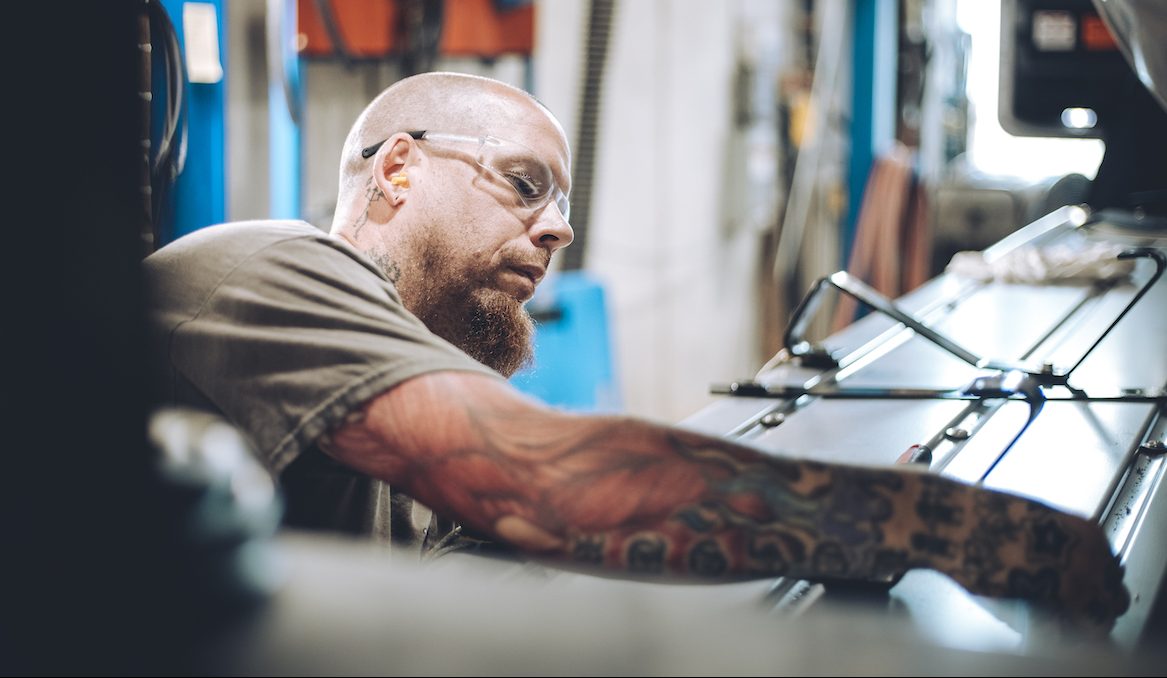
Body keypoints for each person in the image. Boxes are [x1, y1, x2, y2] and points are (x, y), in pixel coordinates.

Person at [144, 71, 1129, 633]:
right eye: (524, 183)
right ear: (398, 167)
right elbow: (542, 484)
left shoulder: (393, 387)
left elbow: (572, 528)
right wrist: (927, 522)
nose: (557, 229)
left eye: (564, 204)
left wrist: (827, 519)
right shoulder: (267, 268)